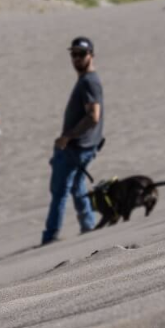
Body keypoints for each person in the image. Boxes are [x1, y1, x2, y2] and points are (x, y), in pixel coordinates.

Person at [42, 36, 103, 243]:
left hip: (76, 147)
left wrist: (67, 137)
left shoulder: (89, 82)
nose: (76, 58)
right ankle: (88, 226)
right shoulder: (86, 80)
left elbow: (93, 116)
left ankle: (50, 237)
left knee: (60, 191)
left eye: (81, 54)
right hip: (82, 145)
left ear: (91, 55)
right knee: (77, 186)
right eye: (73, 54)